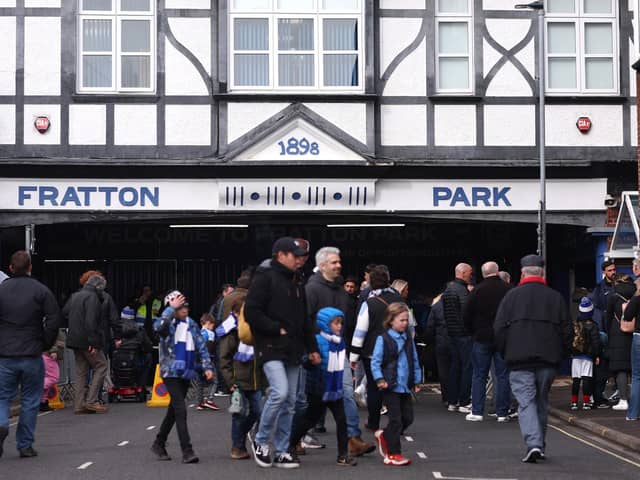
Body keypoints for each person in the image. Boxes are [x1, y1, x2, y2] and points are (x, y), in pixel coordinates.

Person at [245, 237, 320, 469]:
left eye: (301, 256)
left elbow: (305, 320)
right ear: (280, 255)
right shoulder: (264, 277)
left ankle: (281, 450)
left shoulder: (298, 281)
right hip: (270, 347)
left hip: (294, 350)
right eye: (294, 255)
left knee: (289, 403)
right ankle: (260, 441)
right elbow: (251, 312)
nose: (300, 259)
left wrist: (313, 348)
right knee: (280, 392)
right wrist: (275, 328)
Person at [494, 254, 572, 463]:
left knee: (526, 403)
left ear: (522, 272)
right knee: (541, 402)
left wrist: (504, 352)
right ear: (542, 272)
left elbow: (499, 329)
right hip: (548, 360)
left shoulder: (511, 297)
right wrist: (561, 355)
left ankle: (534, 444)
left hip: (519, 360)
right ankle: (540, 445)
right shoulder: (555, 297)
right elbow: (567, 331)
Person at [303, 247, 374, 457]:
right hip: (318, 351)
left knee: (345, 392)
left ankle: (353, 438)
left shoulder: (340, 290)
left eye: (339, 261)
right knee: (311, 399)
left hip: (338, 349)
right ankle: (296, 437)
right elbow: (306, 321)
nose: (338, 265)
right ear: (323, 265)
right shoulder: (312, 289)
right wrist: (311, 349)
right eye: (334, 262)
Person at [0, 251, 61, 458]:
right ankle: (25, 445)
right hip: (32, 353)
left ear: (10, 268)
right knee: (30, 400)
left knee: (1, 397)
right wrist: (45, 343)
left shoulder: (2, 290)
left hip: (5, 354)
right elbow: (54, 319)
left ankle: (1, 424)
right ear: (30, 267)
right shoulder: (41, 291)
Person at [289, 307, 358, 466]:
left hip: (335, 388)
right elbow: (306, 362)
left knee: (342, 420)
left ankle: (343, 455)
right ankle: (290, 444)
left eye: (341, 323)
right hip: (319, 388)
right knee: (309, 421)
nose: (339, 326)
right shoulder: (317, 341)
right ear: (325, 324)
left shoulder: (340, 342)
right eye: (335, 323)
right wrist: (311, 362)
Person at [151, 291, 213, 464]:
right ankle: (187, 450)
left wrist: (207, 367)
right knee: (180, 408)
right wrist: (170, 309)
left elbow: (201, 346)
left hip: (186, 371)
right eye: (180, 306)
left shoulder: (191, 324)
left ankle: (159, 442)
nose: (184, 309)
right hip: (170, 372)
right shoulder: (167, 324)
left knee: (173, 410)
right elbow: (158, 327)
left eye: (185, 305)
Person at [350, 265, 403, 433]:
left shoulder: (369, 303)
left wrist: (353, 356)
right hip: (395, 349)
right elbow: (407, 326)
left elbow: (360, 330)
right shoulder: (399, 300)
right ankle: (397, 422)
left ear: (371, 282)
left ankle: (373, 422)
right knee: (394, 385)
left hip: (372, 352)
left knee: (374, 388)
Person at [218, 279, 265, 460]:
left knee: (258, 411)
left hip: (255, 378)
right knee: (239, 413)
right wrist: (230, 382)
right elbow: (224, 358)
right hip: (238, 378)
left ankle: (244, 436)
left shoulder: (253, 330)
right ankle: (237, 447)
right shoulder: (230, 331)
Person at [371, 302, 421, 467]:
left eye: (407, 320)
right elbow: (376, 362)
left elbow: (414, 359)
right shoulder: (383, 339)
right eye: (402, 320)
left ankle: (384, 435)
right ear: (390, 320)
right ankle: (393, 454)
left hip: (405, 385)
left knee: (408, 418)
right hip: (390, 385)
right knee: (396, 420)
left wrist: (416, 380)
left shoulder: (408, 339)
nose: (405, 323)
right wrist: (379, 379)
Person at [463, 261, 511, 422]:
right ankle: (502, 412)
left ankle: (477, 411)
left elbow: (466, 314)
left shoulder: (477, 290)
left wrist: (473, 332)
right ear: (497, 272)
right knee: (502, 375)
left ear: (484, 274)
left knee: (479, 375)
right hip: (502, 337)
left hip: (481, 337)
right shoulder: (508, 290)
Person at [63, 272, 110, 414]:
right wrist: (94, 343)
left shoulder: (75, 296)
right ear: (99, 287)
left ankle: (78, 405)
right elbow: (91, 322)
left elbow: (65, 312)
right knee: (101, 366)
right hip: (87, 340)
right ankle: (92, 401)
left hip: (73, 339)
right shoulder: (93, 297)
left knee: (80, 372)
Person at [442, 263, 473, 413]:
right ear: (462, 273)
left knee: (455, 367)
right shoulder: (462, 291)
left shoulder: (448, 290)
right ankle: (464, 401)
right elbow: (467, 313)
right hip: (464, 334)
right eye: (469, 273)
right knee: (467, 367)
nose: (470, 276)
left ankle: (452, 401)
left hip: (451, 333)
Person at [607, 274, 635, 411]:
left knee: (621, 369)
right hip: (635, 333)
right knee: (636, 370)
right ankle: (636, 400)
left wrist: (609, 333)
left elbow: (607, 318)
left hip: (618, 335)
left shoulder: (614, 297)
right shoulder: (637, 293)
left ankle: (623, 400)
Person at [569, 298, 601, 410]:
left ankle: (574, 402)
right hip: (588, 356)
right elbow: (596, 343)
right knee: (587, 378)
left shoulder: (576, 325)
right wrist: (597, 355)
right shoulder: (593, 326)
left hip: (575, 356)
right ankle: (586, 402)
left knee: (576, 379)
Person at [425, 293, 450, 406]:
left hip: (441, 341)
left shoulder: (436, 307)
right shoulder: (460, 303)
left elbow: (430, 326)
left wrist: (429, 340)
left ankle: (446, 397)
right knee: (457, 368)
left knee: (443, 370)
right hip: (456, 340)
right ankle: (458, 396)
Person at [622, 278, 640, 421]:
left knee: (637, 376)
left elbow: (627, 317)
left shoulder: (636, 299)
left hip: (639, 337)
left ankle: (633, 414)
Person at [196, 314, 219, 411]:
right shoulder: (210, 334)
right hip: (207, 360)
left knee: (200, 382)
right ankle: (209, 399)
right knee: (214, 381)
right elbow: (210, 348)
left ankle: (200, 402)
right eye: (213, 326)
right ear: (209, 323)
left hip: (197, 361)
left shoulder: (198, 333)